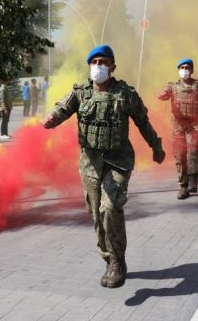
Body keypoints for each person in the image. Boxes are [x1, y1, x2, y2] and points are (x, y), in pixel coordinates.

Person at [43, 44, 166, 288]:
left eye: (103, 62)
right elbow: (62, 108)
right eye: (95, 62)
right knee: (96, 214)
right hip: (90, 164)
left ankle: (117, 261)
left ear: (112, 66)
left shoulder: (125, 94)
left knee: (109, 208)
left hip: (118, 162)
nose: (98, 66)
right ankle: (108, 258)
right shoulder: (81, 93)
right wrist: (52, 118)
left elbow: (143, 122)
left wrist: (156, 146)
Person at [158, 58, 198, 199]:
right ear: (178, 70)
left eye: (187, 68)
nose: (184, 70)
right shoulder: (172, 87)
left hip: (194, 125)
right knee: (179, 155)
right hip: (178, 126)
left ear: (192, 70)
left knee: (192, 147)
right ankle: (183, 186)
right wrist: (162, 95)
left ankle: (193, 178)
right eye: (182, 67)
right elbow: (164, 94)